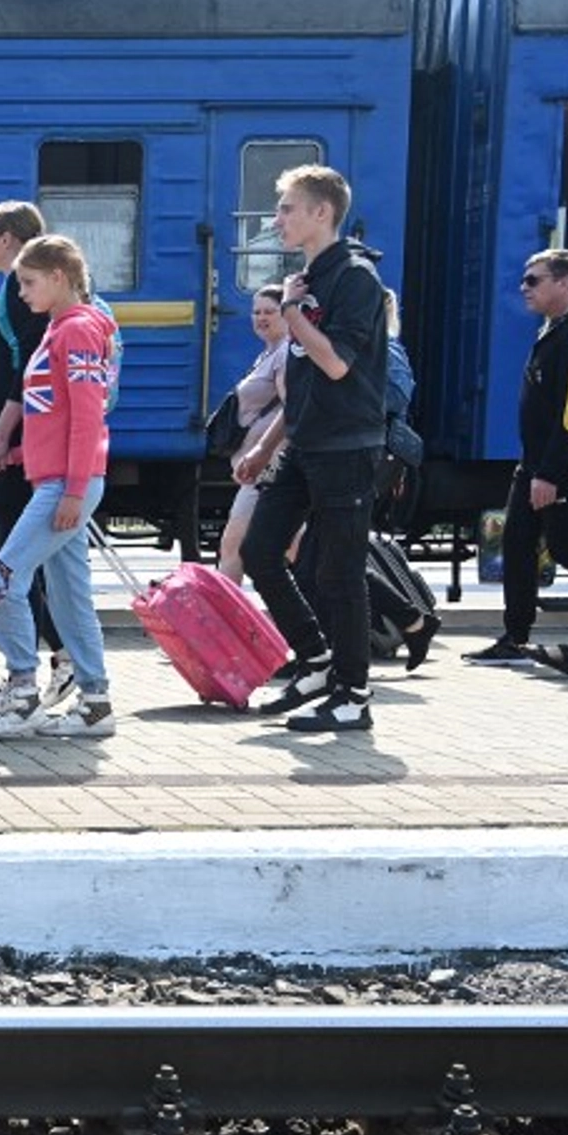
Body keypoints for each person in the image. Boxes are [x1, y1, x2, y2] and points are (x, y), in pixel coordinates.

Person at [239, 164, 393, 732]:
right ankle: (317, 656)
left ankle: (353, 694)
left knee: (339, 572)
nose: (275, 219)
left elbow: (333, 363)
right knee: (260, 551)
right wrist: (267, 446)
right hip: (306, 444)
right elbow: (299, 379)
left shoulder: (353, 278)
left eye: (285, 208)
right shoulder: (308, 280)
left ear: (321, 212)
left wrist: (293, 315)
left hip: (347, 447)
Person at [0, 234, 118, 742]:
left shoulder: (76, 331)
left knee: (1, 581)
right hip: (58, 478)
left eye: (28, 282)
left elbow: (89, 417)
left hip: (65, 484)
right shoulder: (61, 330)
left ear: (58, 278)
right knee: (70, 597)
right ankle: (95, 702)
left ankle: (23, 693)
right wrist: (15, 453)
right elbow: (60, 418)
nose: (21, 292)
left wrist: (71, 491)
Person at [0, 202, 70, 710]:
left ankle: (52, 667)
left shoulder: (14, 296)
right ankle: (35, 669)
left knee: (9, 563)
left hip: (15, 455)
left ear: (6, 238)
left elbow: (23, 376)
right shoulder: (9, 295)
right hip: (8, 449)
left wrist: (1, 438)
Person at [463, 248, 568, 668]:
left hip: (558, 468)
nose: (523, 288)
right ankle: (515, 638)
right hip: (531, 463)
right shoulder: (551, 330)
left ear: (564, 282)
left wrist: (551, 472)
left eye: (534, 280)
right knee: (516, 546)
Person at [218, 285, 291, 584]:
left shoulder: (285, 354)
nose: (261, 318)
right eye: (256, 312)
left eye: (269, 311)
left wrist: (263, 451)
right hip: (260, 468)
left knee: (233, 547)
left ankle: (224, 624)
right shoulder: (268, 354)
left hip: (270, 469)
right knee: (295, 549)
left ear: (287, 314)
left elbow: (293, 409)